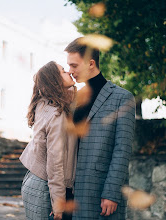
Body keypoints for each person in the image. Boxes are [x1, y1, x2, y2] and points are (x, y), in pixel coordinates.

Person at [65, 38, 136, 219]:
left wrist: (111, 193)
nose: (70, 71)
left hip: (101, 193)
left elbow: (122, 149)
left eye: (74, 66)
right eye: (68, 66)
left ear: (91, 63)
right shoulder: (73, 99)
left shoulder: (122, 98)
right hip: (71, 192)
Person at [20, 61, 78, 220]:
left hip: (38, 181)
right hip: (46, 188)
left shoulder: (48, 104)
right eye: (63, 71)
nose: (69, 72)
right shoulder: (56, 114)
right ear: (55, 80)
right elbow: (55, 162)